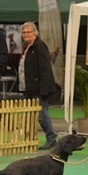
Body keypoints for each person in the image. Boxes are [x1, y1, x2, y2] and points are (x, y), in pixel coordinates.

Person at [18, 22, 58, 150]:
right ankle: (30, 140)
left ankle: (52, 139)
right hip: (28, 88)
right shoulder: (27, 46)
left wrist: (43, 90)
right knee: (30, 116)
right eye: (24, 32)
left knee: (42, 115)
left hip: (38, 89)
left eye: (29, 32)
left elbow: (45, 69)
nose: (26, 34)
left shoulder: (39, 45)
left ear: (35, 33)